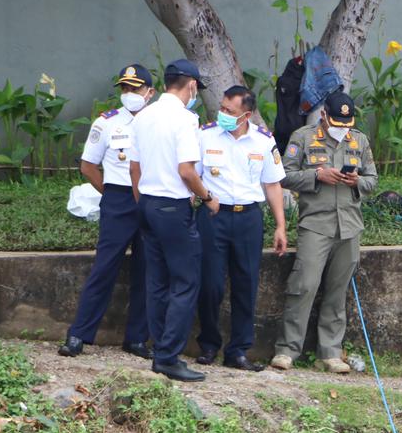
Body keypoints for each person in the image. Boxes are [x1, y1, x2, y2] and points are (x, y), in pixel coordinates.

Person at [272, 91, 377, 373]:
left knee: (337, 290)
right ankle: (287, 350)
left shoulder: (360, 140)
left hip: (349, 225)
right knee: (304, 285)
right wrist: (317, 175)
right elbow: (284, 175)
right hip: (315, 224)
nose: (342, 129)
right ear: (323, 116)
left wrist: (356, 181)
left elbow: (373, 180)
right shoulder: (303, 137)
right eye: (337, 122)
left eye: (347, 123)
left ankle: (329, 352)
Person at [58, 64, 155, 360]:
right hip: (119, 199)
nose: (129, 94)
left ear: (150, 93)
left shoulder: (160, 123)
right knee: (104, 268)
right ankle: (78, 335)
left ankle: (137, 338)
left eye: (135, 89)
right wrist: (110, 194)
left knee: (148, 270)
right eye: (125, 89)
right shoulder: (107, 123)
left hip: (152, 200)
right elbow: (88, 166)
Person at [129, 59, 215, 383]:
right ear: (191, 85)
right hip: (172, 207)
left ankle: (158, 352)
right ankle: (168, 357)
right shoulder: (185, 119)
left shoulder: (143, 116)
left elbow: (133, 169)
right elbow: (187, 171)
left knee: (157, 282)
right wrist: (207, 198)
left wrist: (144, 202)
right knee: (185, 282)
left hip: (147, 203)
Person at [194, 85, 287, 372]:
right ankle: (209, 345)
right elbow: (190, 176)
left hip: (248, 218)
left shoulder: (262, 141)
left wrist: (280, 226)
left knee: (246, 284)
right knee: (210, 284)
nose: (222, 113)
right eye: (221, 108)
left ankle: (238, 351)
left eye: (229, 111)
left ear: (246, 115)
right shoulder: (205, 135)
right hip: (213, 216)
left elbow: (272, 185)